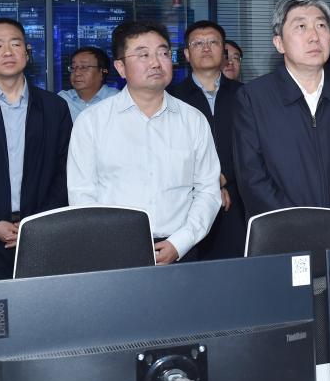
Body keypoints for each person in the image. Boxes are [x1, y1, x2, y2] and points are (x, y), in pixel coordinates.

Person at [0, 17, 72, 381]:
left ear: (28, 51)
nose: (7, 51)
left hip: (39, 237)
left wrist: (35, 225)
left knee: (45, 327)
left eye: (15, 43)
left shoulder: (53, 107)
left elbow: (64, 172)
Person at [67, 21, 221, 264]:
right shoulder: (92, 122)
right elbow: (82, 194)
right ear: (120, 67)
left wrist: (180, 242)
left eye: (163, 53)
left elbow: (208, 191)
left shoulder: (193, 120)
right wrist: (112, 243)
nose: (156, 62)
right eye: (143, 55)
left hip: (180, 250)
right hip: (112, 251)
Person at [233, 0, 330, 240]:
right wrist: (299, 230)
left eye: (321, 25)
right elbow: (252, 179)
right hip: (281, 238)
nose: (314, 36)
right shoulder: (252, 98)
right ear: (279, 43)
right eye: (301, 26)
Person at [168, 20, 245, 259]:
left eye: (213, 42)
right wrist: (208, 185)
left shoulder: (246, 95)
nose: (206, 48)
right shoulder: (170, 98)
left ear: (223, 52)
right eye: (198, 43)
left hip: (238, 196)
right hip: (185, 200)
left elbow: (253, 147)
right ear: (186, 54)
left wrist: (222, 179)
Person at [58, 45, 118, 121]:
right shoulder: (63, 99)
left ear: (102, 72)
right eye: (73, 67)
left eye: (84, 67)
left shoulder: (117, 99)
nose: (77, 73)